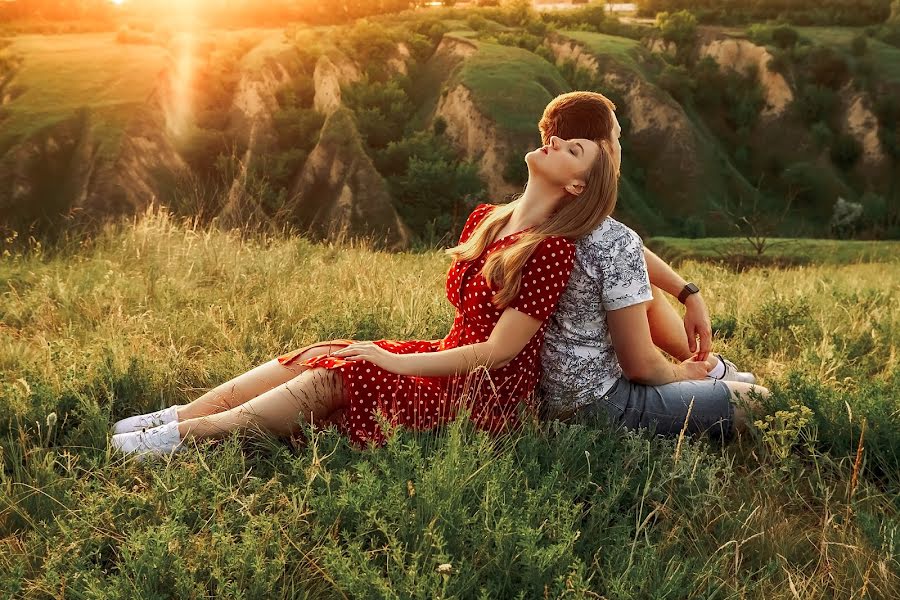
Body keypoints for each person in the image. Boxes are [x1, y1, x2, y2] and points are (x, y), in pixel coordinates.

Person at [111, 134, 620, 458]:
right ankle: (180, 416)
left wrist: (393, 364)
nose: (556, 140)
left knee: (352, 369)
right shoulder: (490, 218)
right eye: (561, 137)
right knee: (329, 351)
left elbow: (499, 351)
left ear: (576, 186)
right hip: (446, 358)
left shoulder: (551, 250)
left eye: (575, 150)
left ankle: (182, 441)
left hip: (485, 395)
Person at [537, 92, 768, 440]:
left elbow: (632, 257)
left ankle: (716, 370)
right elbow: (641, 367)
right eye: (617, 136)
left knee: (642, 285)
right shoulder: (614, 240)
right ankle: (712, 375)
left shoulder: (547, 213)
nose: (620, 145)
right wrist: (682, 374)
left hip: (549, 394)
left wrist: (688, 293)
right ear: (601, 148)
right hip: (601, 405)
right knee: (757, 400)